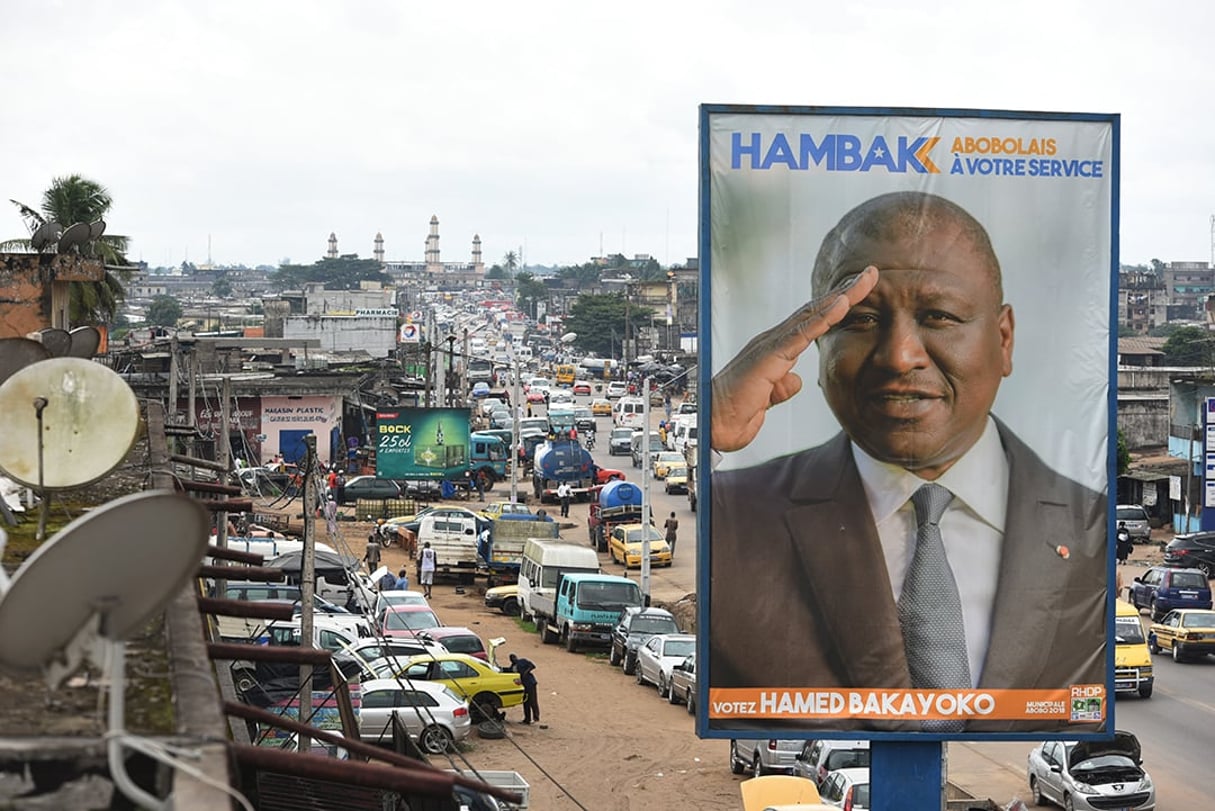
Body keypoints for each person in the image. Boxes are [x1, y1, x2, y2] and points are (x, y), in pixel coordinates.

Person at [710, 191, 1106, 732]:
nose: (899, 356)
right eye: (861, 320)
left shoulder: (1093, 531)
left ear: (1004, 338)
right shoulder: (731, 520)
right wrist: (709, 428)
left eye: (939, 316)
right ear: (818, 344)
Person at [508, 653, 540, 725]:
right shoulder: (512, 667)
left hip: (530, 683)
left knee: (533, 700)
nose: (513, 659)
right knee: (526, 702)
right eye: (511, 659)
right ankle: (527, 719)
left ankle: (536, 717)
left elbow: (532, 666)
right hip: (523, 686)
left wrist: (526, 672)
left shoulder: (523, 661)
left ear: (516, 657)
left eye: (514, 657)